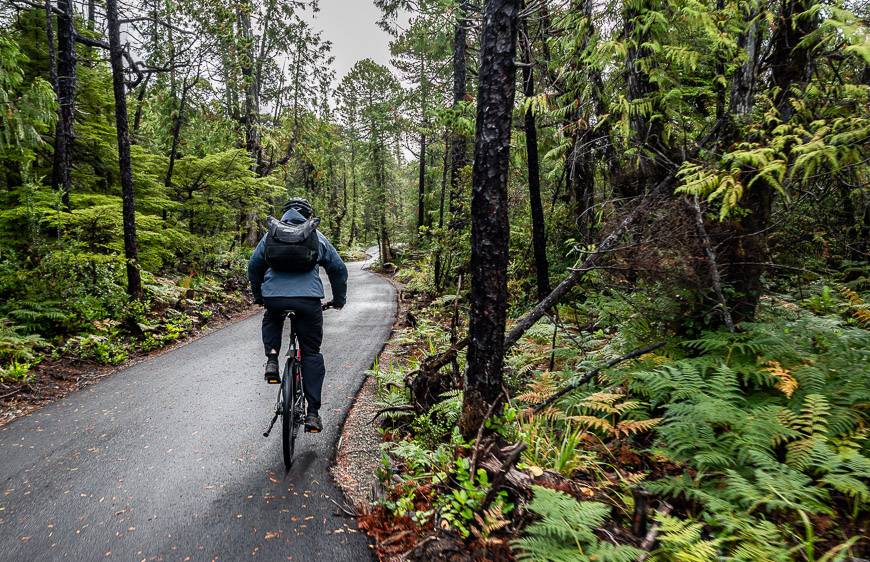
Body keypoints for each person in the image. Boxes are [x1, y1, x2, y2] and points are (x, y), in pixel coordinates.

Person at [247, 198, 348, 433]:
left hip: (274, 297)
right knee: (311, 352)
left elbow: (253, 266)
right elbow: (338, 268)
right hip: (308, 301)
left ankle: (272, 360)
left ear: (285, 214)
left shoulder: (271, 234)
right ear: (307, 214)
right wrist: (339, 299)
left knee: (272, 317)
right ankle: (312, 414)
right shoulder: (315, 235)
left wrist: (259, 296)